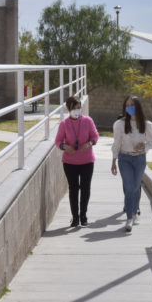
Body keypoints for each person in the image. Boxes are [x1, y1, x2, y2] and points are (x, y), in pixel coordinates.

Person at [111, 95, 152, 232]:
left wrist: (143, 146)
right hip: (124, 159)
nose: (129, 107)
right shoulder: (119, 124)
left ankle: (135, 211)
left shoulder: (148, 125)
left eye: (132, 105)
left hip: (139, 159)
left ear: (138, 107)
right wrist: (113, 161)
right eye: (127, 105)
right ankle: (129, 218)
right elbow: (116, 143)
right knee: (129, 187)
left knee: (136, 187)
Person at [55, 96, 99, 227]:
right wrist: (65, 147)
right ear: (68, 109)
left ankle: (83, 216)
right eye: (74, 108)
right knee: (73, 189)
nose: (77, 110)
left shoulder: (88, 120)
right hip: (69, 163)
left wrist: (90, 143)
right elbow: (58, 141)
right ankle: (75, 217)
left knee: (85, 188)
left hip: (87, 161)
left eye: (79, 108)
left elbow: (95, 136)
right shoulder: (64, 124)